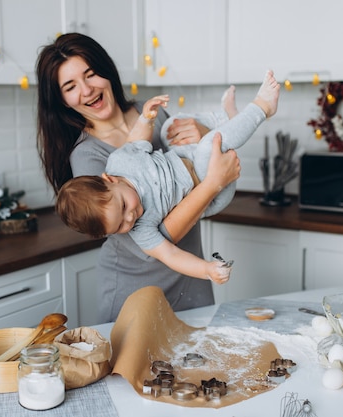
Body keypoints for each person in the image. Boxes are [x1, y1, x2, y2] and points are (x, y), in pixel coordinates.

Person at [36, 33, 241, 322]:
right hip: (136, 287)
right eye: (70, 86)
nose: (86, 90)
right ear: (63, 101)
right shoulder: (88, 156)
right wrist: (213, 184)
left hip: (192, 273)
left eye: (90, 74)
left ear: (106, 71)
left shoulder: (152, 114)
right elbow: (159, 236)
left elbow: (199, 168)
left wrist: (205, 137)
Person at [56, 71, 280, 283]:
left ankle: (227, 117)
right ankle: (263, 107)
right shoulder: (141, 230)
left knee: (170, 128)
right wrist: (207, 270)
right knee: (208, 147)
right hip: (210, 191)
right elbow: (170, 255)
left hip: (185, 159)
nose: (130, 218)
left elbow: (136, 141)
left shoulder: (120, 162)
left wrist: (146, 118)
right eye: (119, 227)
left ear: (110, 179)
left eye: (124, 206)